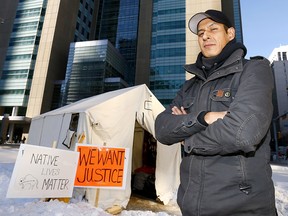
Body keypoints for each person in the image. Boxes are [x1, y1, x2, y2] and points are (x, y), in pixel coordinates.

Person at [155, 9, 277, 216]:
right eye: (201, 33)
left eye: (213, 29)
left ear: (230, 34)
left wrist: (187, 138)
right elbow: (161, 128)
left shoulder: (254, 70)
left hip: (241, 207)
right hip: (191, 206)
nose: (205, 36)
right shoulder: (190, 86)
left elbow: (243, 134)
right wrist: (205, 118)